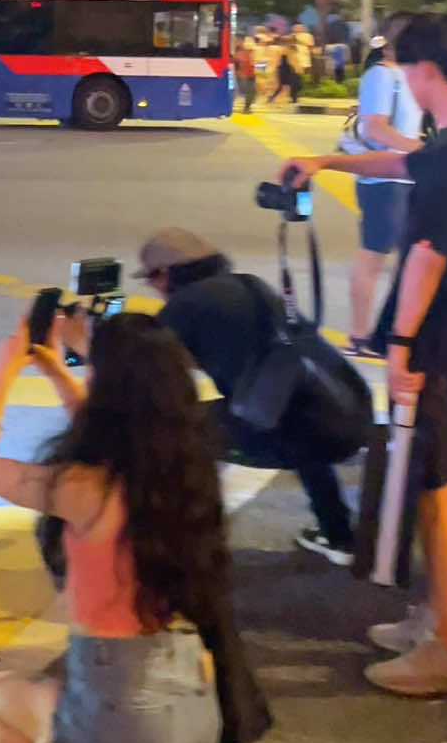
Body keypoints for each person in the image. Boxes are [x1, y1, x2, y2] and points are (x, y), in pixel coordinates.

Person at [0, 312, 255, 743]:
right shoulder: (181, 469)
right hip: (191, 688)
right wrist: (54, 371)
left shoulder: (82, 487)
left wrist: (3, 374)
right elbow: (105, 432)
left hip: (120, 694)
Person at [283, 12, 447, 697]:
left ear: (425, 73)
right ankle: (441, 616)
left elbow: (427, 254)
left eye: (406, 70)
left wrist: (398, 345)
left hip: (444, 339)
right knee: (440, 476)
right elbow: (402, 161)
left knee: (440, 483)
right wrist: (327, 160)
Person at [136, 228, 357, 564]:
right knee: (295, 412)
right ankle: (338, 534)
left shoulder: (186, 305)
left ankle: (182, 546)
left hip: (297, 431)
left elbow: (137, 369)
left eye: (151, 280)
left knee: (174, 430)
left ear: (164, 274)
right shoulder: (249, 286)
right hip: (345, 418)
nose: (152, 289)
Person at [344, 19, 423, 356]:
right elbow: (375, 128)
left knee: (405, 260)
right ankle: (361, 335)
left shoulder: (409, 74)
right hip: (383, 180)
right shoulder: (381, 75)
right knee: (374, 258)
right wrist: (417, 149)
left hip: (404, 177)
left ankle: (390, 332)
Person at [236, 34, 258, 113]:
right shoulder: (248, 54)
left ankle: (247, 108)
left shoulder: (242, 54)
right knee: (250, 92)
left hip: (247, 75)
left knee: (251, 92)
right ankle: (246, 108)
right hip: (248, 75)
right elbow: (255, 64)